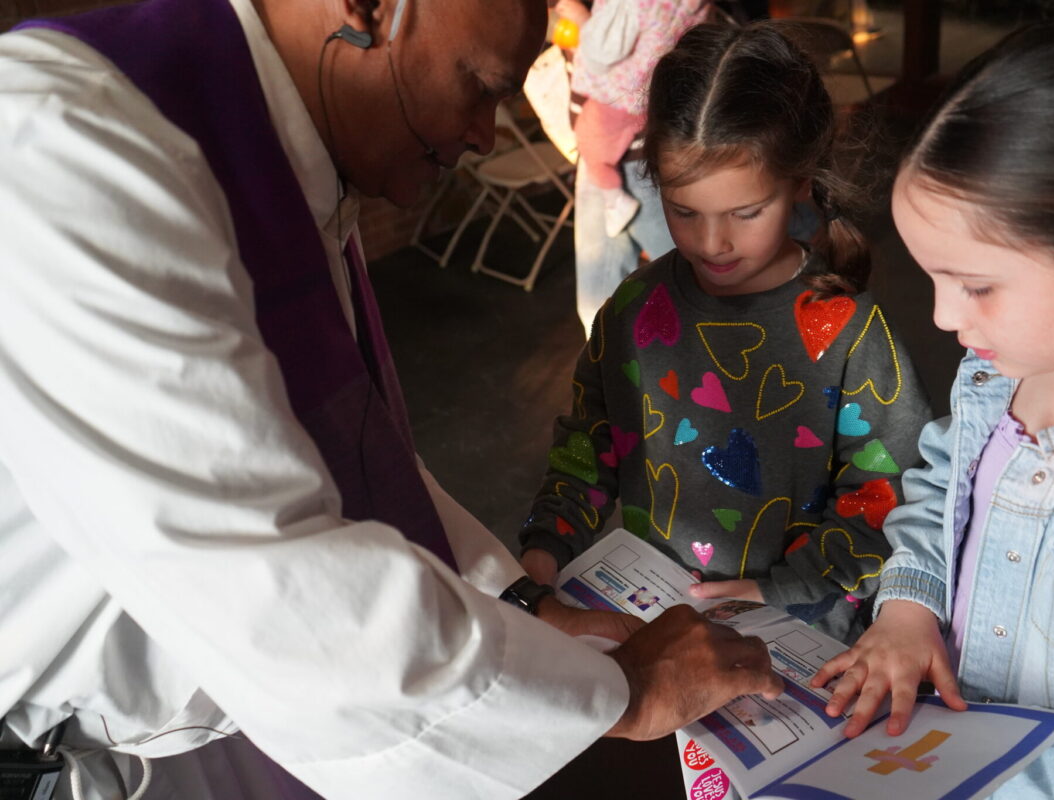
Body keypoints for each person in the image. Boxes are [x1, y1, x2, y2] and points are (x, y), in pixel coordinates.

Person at [0, 0, 785, 797]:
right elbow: (276, 588)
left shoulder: (284, 147)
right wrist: (632, 693)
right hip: (79, 744)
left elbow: (345, 450)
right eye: (477, 86)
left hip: (208, 706)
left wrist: (517, 600)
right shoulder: (60, 146)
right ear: (369, 9)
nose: (484, 134)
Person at [811, 22, 1054, 797]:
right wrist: (910, 607)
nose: (947, 318)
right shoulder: (1005, 367)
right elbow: (945, 487)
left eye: (976, 285)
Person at [519, 20, 932, 644]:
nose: (712, 243)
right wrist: (547, 544)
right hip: (658, 619)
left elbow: (885, 490)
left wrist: (781, 589)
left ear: (798, 181)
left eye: (746, 213)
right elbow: (590, 445)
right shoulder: (633, 309)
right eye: (684, 212)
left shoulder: (848, 331)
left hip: (802, 629)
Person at [556, 0, 704, 329]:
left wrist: (582, 21)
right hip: (632, 149)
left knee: (686, 288)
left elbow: (605, 53)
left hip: (630, 153)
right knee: (608, 306)